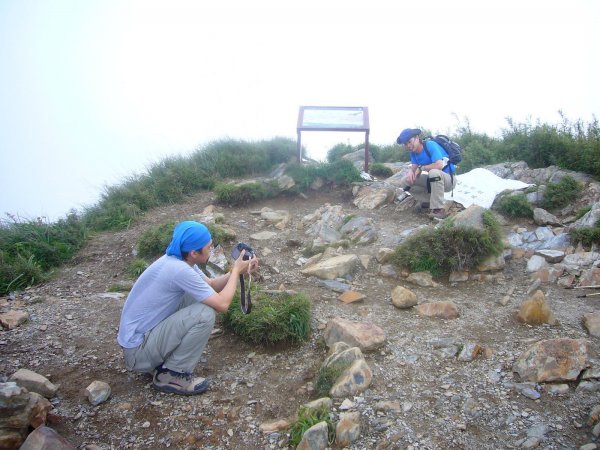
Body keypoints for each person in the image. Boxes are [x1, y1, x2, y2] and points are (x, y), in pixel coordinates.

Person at [117, 220, 258, 395]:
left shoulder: (178, 260)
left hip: (143, 340)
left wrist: (236, 271)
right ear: (193, 253)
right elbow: (222, 304)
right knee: (205, 313)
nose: (211, 250)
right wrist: (236, 272)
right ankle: (172, 374)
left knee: (198, 295)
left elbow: (212, 285)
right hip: (138, 353)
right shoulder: (179, 270)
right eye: (208, 247)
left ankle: (163, 360)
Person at [396, 128, 457, 219]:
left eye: (409, 141)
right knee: (405, 181)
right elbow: (413, 168)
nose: (408, 145)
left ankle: (438, 209)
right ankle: (427, 201)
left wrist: (422, 168)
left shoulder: (430, 145)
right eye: (405, 144)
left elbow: (439, 165)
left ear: (417, 138)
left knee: (434, 172)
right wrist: (411, 172)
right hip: (433, 180)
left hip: (449, 180)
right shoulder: (413, 153)